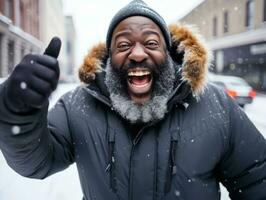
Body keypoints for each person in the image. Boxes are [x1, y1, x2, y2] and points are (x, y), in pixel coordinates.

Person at [0, 0, 265, 199]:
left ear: (169, 54)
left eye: (151, 43)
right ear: (108, 58)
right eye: (123, 45)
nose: (137, 54)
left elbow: (257, 179)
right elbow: (35, 162)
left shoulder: (215, 106)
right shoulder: (77, 106)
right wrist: (17, 111)